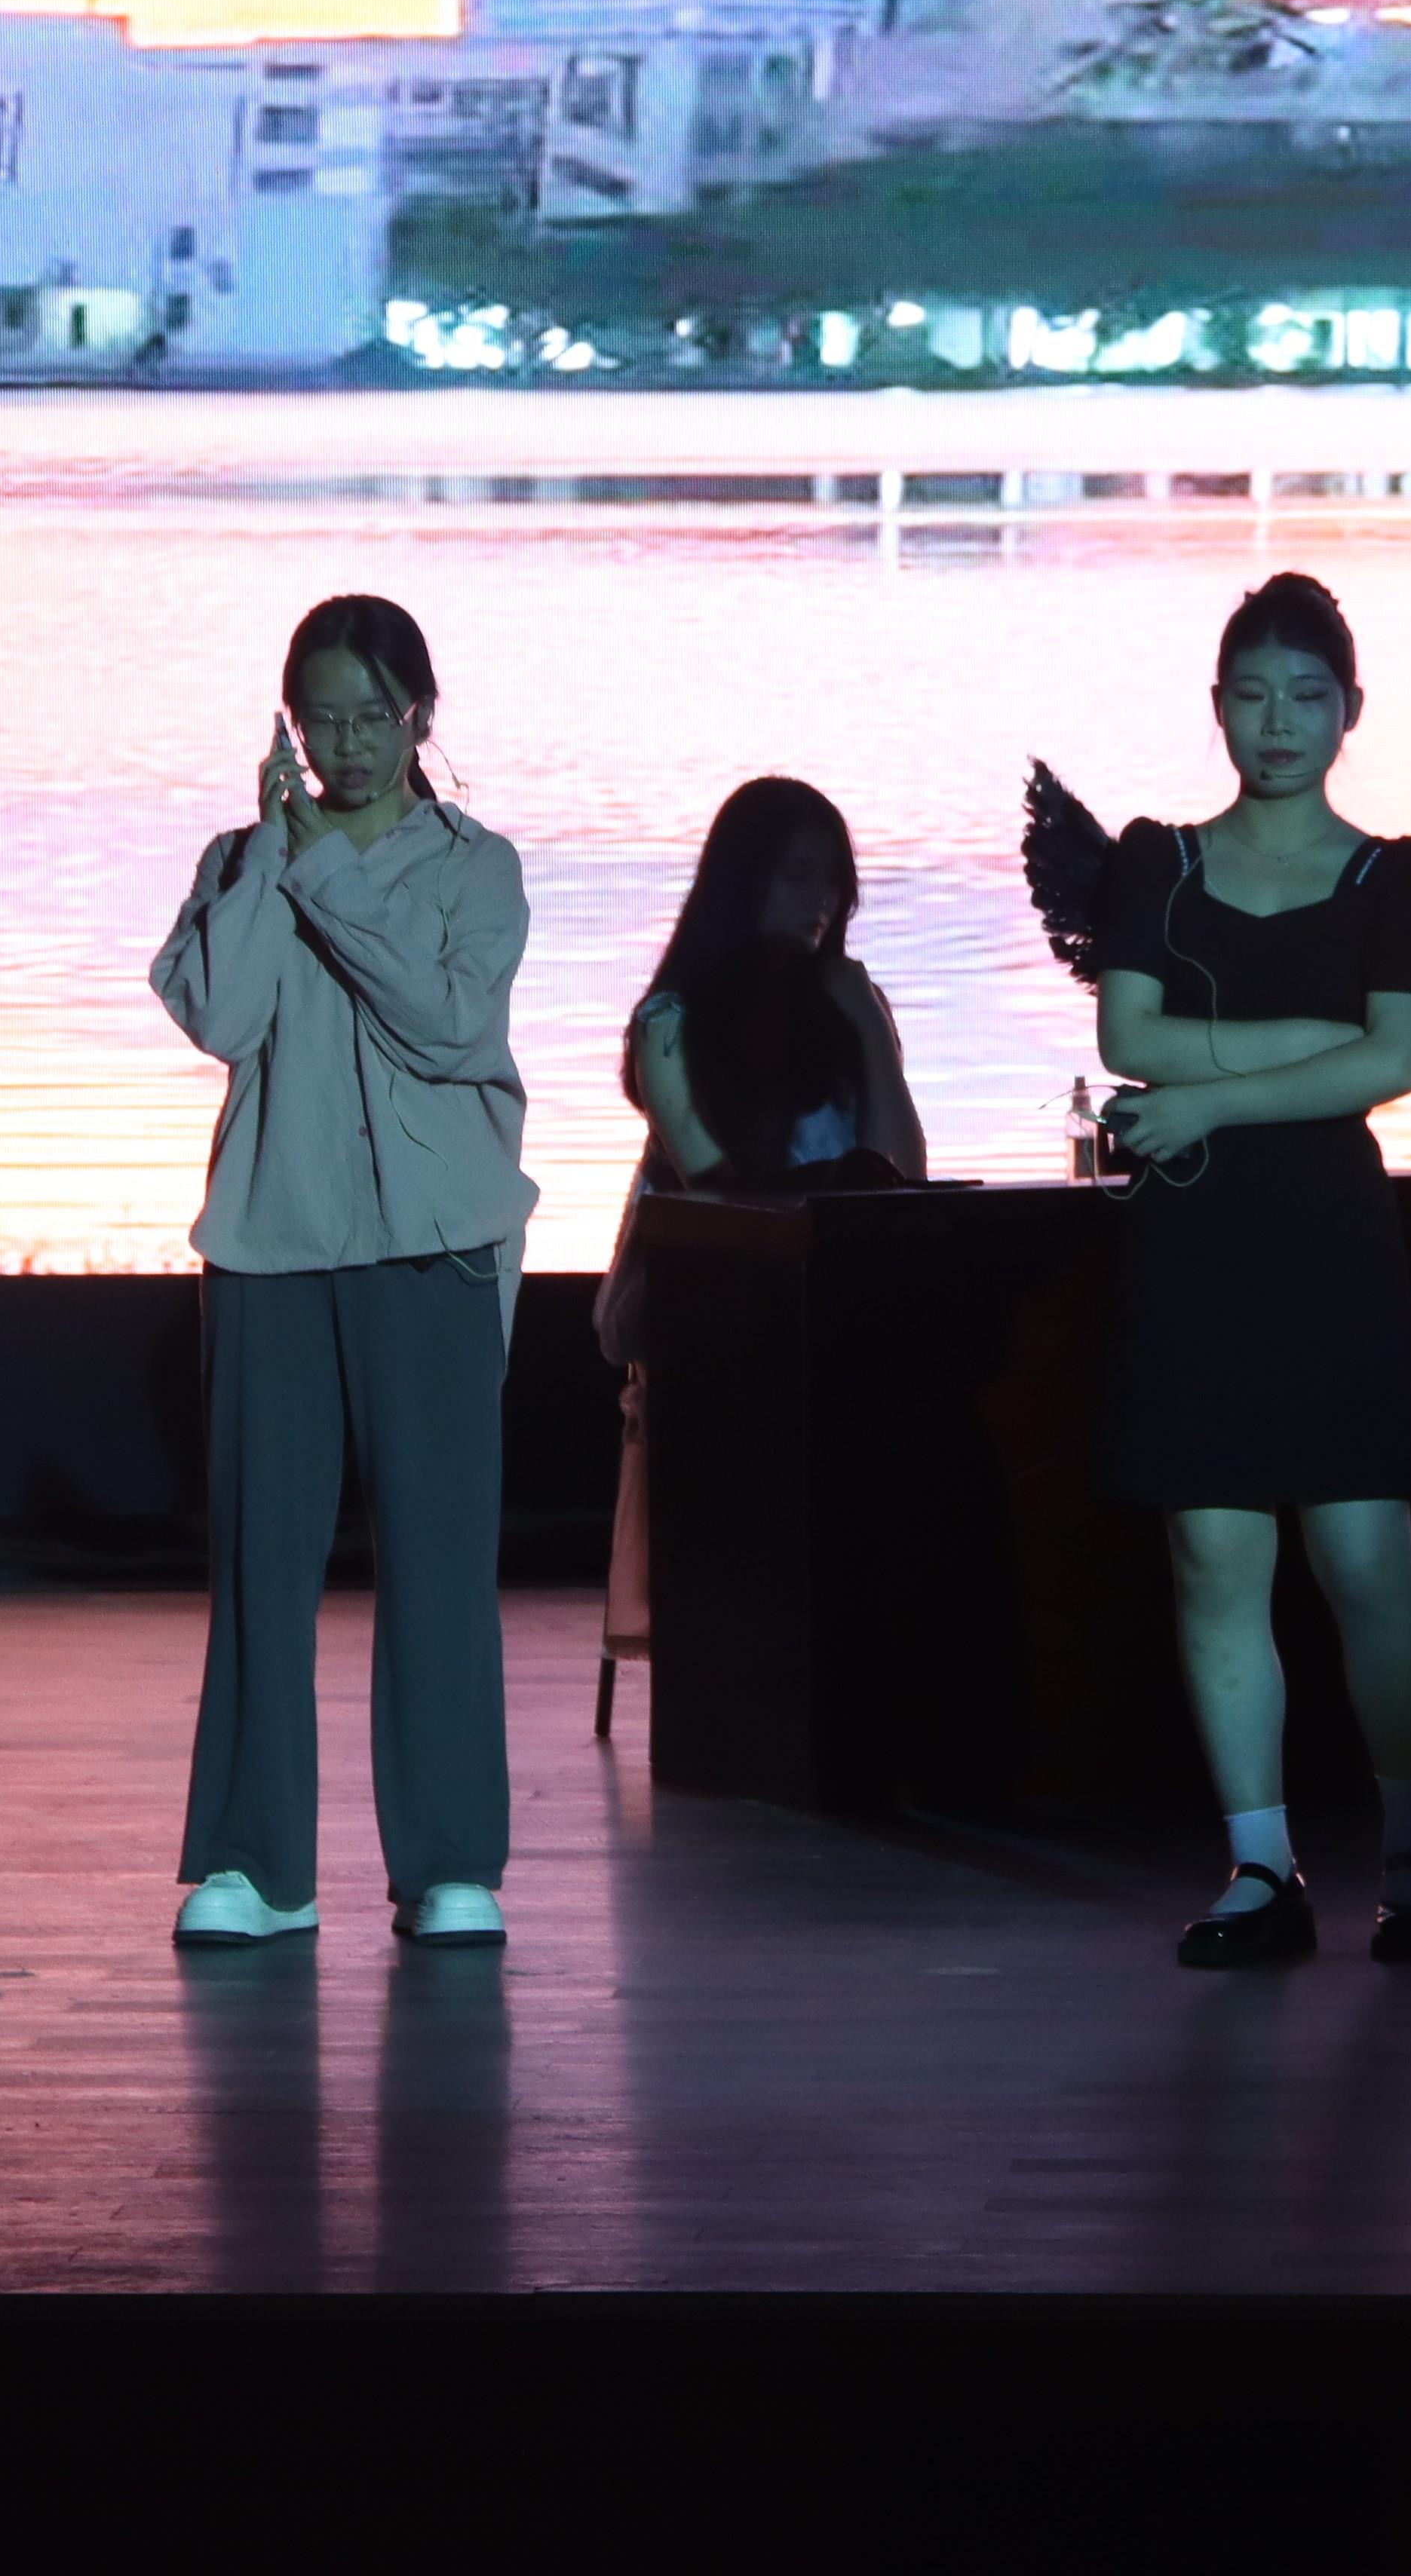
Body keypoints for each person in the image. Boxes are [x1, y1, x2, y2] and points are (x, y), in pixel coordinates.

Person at [1022, 574, 1411, 1968]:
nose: (1280, 722)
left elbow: (1395, 1061)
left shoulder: (1391, 877)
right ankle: (1261, 1866)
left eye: (1307, 697)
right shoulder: (1159, 864)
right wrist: (1304, 1050)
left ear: (1351, 710)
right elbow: (1129, 1038)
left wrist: (1209, 1096)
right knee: (1212, 1552)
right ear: (1219, 707)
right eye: (1253, 696)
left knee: (1365, 1554)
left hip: (1328, 1236)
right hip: (1194, 1241)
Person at [152, 593, 535, 1951]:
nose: (351, 743)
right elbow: (217, 1014)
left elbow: (446, 1023)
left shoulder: (475, 867)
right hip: (274, 1244)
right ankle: (257, 1863)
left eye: (374, 716)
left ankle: (448, 1862)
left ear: (420, 717)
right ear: (290, 727)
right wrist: (274, 857)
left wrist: (324, 875)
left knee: (439, 1562)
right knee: (263, 1563)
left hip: (434, 1246)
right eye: (325, 719)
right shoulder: (240, 859)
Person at [597, 780, 925, 1729]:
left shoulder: (850, 1005)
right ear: (743, 882)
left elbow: (905, 1167)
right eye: (795, 875)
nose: (819, 899)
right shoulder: (672, 1019)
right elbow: (709, 1185)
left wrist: (868, 1030)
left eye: (832, 879)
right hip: (714, 1291)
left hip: (839, 1284)